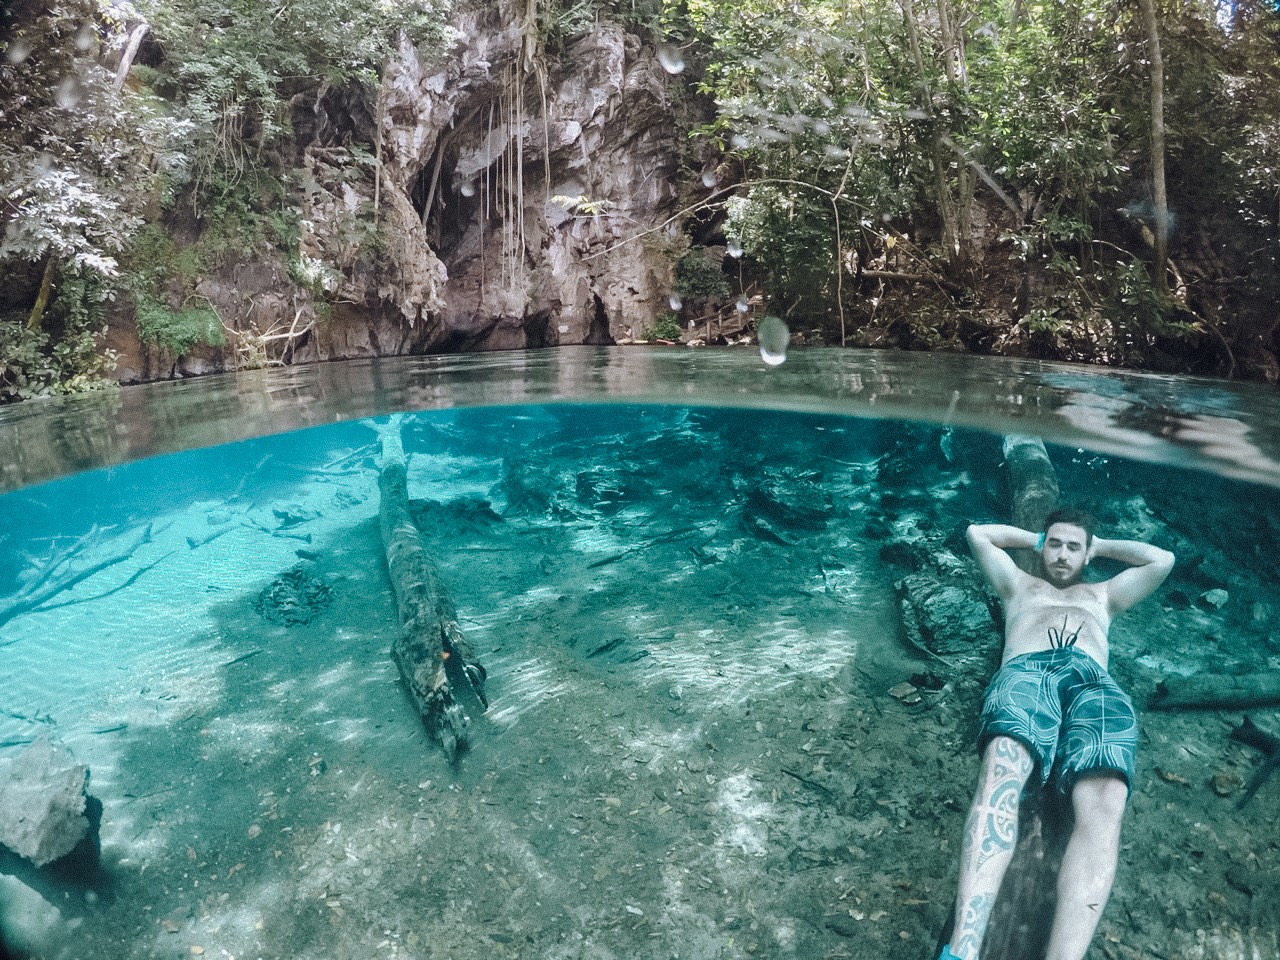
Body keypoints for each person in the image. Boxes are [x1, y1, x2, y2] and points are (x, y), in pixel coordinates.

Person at [938, 507, 1175, 960]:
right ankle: (961, 952)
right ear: (1043, 544)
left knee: (1106, 801)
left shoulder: (1104, 594)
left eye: (1073, 548)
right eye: (1055, 544)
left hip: (1093, 683)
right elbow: (977, 530)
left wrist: (1098, 544)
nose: (1063, 555)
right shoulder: (1019, 587)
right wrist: (1036, 537)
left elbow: (1160, 560)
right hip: (1029, 673)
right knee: (1002, 768)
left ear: (1087, 554)